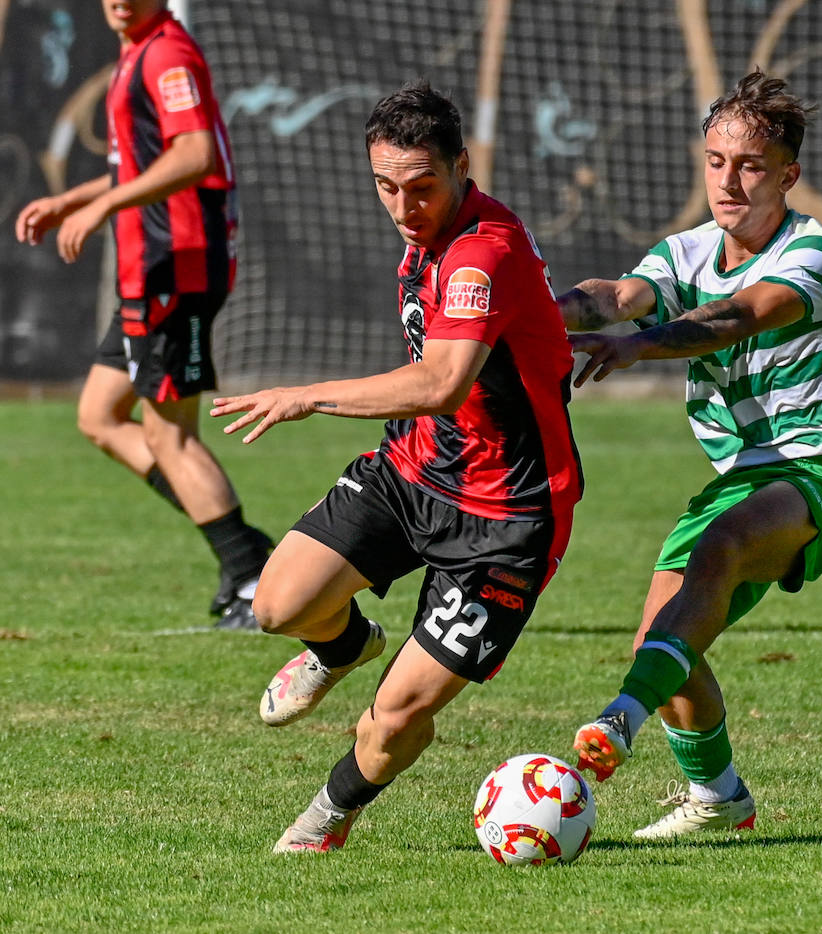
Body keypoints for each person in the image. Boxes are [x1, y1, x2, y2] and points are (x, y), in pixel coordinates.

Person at [209, 81, 583, 853]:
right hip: (413, 471)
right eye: (387, 187)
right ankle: (344, 645)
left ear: (461, 167)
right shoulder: (428, 239)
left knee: (397, 715)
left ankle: (325, 819)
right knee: (277, 605)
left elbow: (442, 383)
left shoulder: (484, 252)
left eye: (422, 186)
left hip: (505, 517)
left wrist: (307, 396)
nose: (405, 206)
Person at [560, 69, 822, 839]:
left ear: (787, 175)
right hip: (737, 480)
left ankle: (618, 723)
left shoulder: (819, 254)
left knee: (724, 543)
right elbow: (616, 295)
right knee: (662, 645)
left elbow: (742, 314)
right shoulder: (688, 249)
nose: (729, 181)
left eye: (749, 166)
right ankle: (721, 798)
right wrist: (532, 316)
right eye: (715, 161)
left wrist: (636, 349)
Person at [15, 0, 271, 629]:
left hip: (177, 271)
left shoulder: (167, 53)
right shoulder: (138, 50)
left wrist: (102, 212)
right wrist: (70, 201)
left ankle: (247, 580)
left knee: (170, 435)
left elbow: (193, 156)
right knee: (100, 417)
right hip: (148, 271)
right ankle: (246, 550)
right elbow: (140, 168)